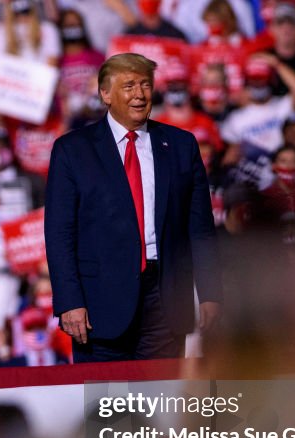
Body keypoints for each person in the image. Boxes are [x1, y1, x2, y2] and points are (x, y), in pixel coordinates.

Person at [44, 53, 222, 362]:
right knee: (108, 407)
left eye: (145, 85)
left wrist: (210, 293)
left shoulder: (181, 146)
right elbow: (60, 233)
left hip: (166, 298)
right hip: (98, 304)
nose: (139, 94)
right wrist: (69, 301)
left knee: (161, 403)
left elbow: (201, 229)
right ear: (105, 93)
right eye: (128, 86)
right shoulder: (72, 150)